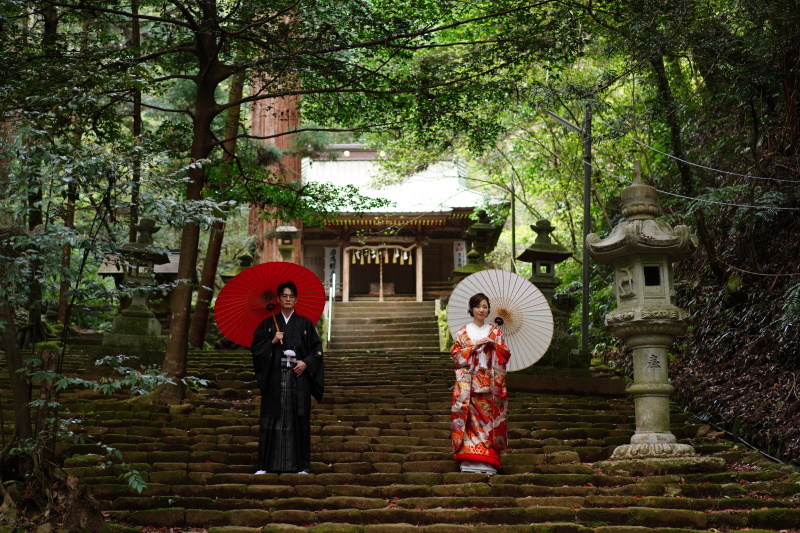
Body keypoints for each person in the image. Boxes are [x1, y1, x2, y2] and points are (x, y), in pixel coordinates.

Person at [251, 280, 324, 474]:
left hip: (298, 378)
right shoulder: (268, 325)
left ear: (296, 299)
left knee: (298, 419)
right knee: (271, 420)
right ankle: (265, 466)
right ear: (278, 299)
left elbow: (317, 349)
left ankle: (302, 466)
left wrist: (306, 362)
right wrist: (272, 341)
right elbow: (256, 348)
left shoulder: (305, 324)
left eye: (291, 296)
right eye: (284, 296)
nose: (288, 299)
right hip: (275, 377)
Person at [450, 292, 511, 475]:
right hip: (468, 383)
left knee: (488, 420)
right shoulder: (463, 332)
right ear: (471, 309)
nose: (481, 310)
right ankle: (469, 460)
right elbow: (455, 357)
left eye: (485, 306)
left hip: (489, 382)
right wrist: (472, 348)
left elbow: (505, 355)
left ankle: (488, 461)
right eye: (477, 306)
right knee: (468, 419)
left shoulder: (495, 332)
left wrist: (494, 344)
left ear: (489, 310)